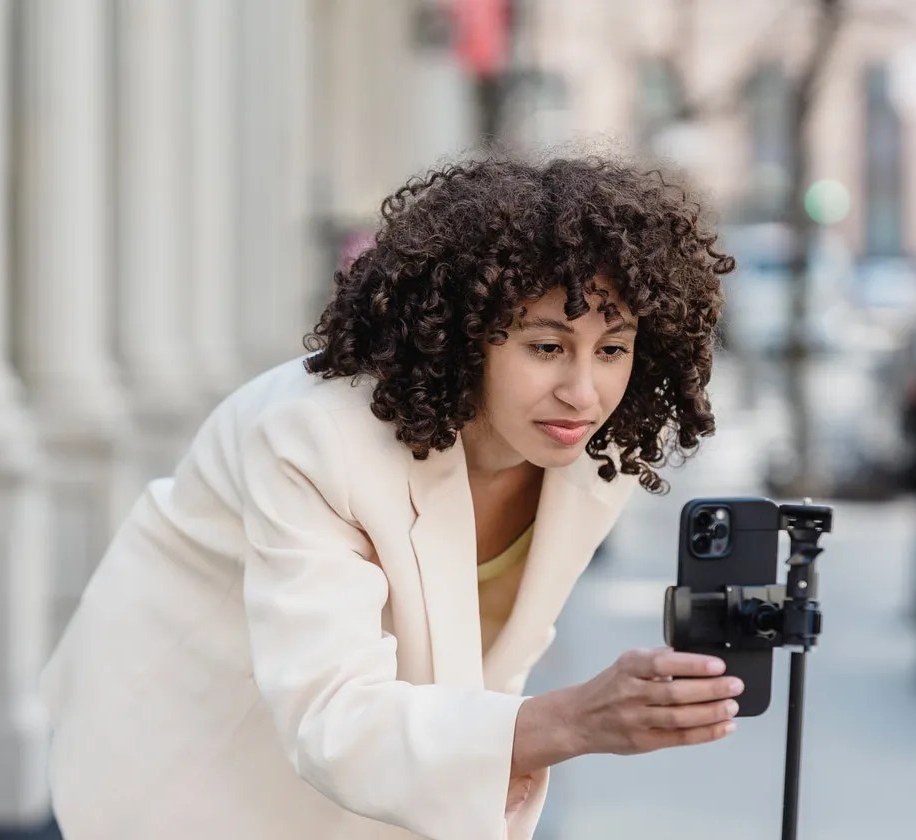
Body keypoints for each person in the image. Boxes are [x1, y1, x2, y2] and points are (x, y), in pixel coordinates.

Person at [39, 155, 739, 839]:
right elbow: (333, 717)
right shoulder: (313, 435)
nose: (583, 393)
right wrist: (572, 721)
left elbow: (477, 677)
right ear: (467, 336)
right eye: (547, 347)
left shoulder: (589, 453)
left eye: (611, 350)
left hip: (377, 770)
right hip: (191, 750)